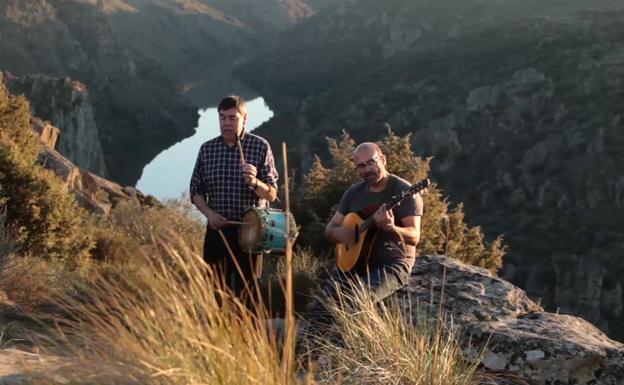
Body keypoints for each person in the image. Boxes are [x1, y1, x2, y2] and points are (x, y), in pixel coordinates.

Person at [307, 142, 423, 325]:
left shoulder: (403, 191)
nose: (367, 169)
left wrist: (391, 227)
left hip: (392, 264)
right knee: (320, 307)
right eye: (361, 166)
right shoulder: (354, 192)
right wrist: (343, 234)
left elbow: (414, 236)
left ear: (383, 159)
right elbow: (330, 228)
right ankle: (309, 352)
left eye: (371, 162)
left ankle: (343, 352)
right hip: (354, 263)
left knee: (356, 302)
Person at [190, 95, 278, 295]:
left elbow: (272, 194)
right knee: (214, 289)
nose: (226, 123)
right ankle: (219, 327)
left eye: (232, 118)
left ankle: (246, 326)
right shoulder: (207, 149)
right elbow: (196, 191)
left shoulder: (259, 146)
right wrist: (210, 216)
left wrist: (254, 182)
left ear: (244, 119)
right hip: (217, 231)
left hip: (251, 232)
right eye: (222, 118)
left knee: (247, 292)